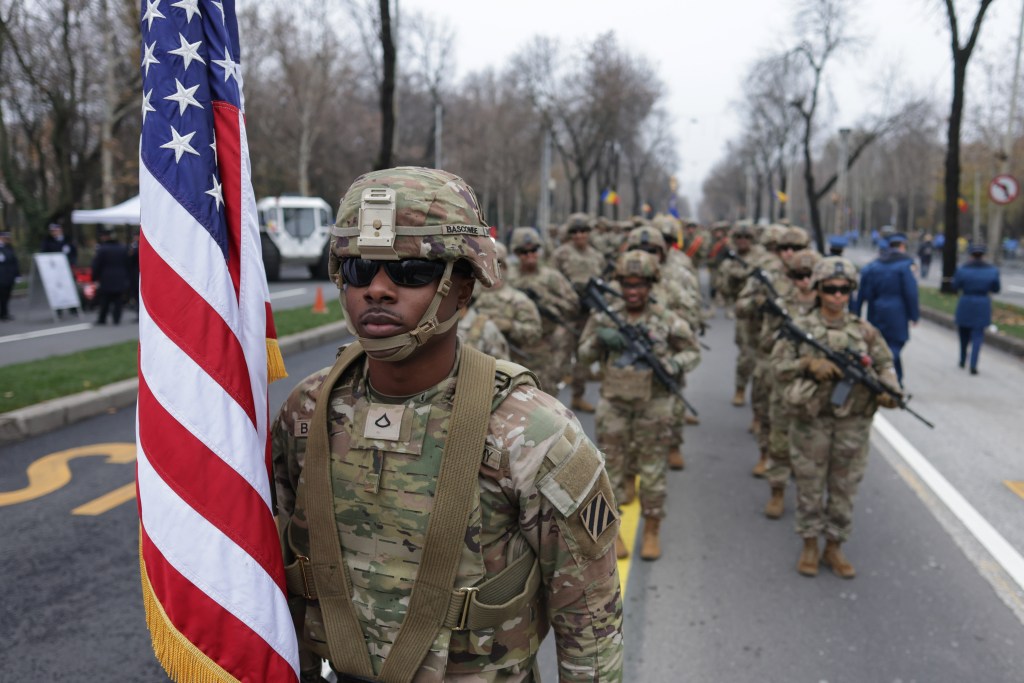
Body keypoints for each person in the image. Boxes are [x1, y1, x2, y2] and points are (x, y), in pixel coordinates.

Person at [271, 167, 623, 682]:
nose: (378, 290)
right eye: (359, 269)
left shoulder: (531, 433)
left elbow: (590, 623)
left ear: (463, 287)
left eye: (412, 271)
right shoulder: (308, 410)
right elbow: (281, 575)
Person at [772, 256, 901, 579]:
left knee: (844, 487)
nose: (838, 296)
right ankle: (809, 543)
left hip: (852, 422)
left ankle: (834, 544)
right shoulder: (799, 329)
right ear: (818, 289)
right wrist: (808, 365)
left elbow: (885, 364)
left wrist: (890, 389)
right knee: (809, 484)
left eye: (844, 289)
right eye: (831, 289)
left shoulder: (864, 332)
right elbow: (778, 368)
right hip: (811, 420)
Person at [578, 250, 700, 561]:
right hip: (614, 404)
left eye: (640, 284)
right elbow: (583, 356)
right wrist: (600, 340)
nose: (633, 291)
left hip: (653, 405)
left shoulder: (666, 318)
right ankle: (611, 534)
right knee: (608, 472)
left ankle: (652, 530)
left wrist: (672, 363)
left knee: (653, 471)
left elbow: (692, 352)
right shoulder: (605, 316)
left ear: (651, 284)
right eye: (627, 284)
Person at [504, 226, 580, 395]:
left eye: (534, 250)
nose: (530, 255)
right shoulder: (508, 277)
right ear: (516, 253)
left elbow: (573, 306)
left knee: (545, 396)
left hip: (545, 348)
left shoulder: (551, 277)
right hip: (513, 347)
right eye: (524, 252)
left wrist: (546, 300)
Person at [551, 213, 606, 413]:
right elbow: (552, 282)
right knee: (559, 358)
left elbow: (602, 282)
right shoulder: (561, 254)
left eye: (583, 231)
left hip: (588, 314)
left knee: (583, 358)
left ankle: (578, 396)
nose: (579, 235)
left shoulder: (597, 256)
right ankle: (549, 401)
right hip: (567, 315)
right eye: (575, 232)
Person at [856, 232, 919, 386]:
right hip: (897, 312)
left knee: (879, 344)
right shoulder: (905, 265)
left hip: (876, 310)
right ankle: (888, 377)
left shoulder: (875, 265)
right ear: (902, 246)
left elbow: (864, 291)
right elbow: (911, 292)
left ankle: (896, 378)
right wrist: (914, 315)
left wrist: (857, 312)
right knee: (894, 346)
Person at [953, 243, 1001, 375]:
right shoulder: (992, 270)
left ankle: (963, 359)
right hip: (982, 304)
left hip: (966, 302)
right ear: (983, 255)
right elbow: (996, 288)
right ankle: (973, 364)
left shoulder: (962, 269)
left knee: (963, 333)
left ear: (971, 255)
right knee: (978, 336)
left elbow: (955, 286)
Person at [91, 228, 130, 325]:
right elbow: (128, 263)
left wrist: (94, 277)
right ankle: (116, 318)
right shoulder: (122, 248)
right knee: (118, 299)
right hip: (120, 277)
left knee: (105, 299)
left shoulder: (102, 249)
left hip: (106, 277)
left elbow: (97, 265)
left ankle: (102, 318)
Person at [0, 231, 19, 321]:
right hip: (1, 276)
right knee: (3, 295)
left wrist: (17, 274)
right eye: (4, 238)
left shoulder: (9, 247)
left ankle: (5, 313)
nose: (6, 240)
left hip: (9, 276)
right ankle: (3, 314)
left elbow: (14, 262)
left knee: (7, 295)